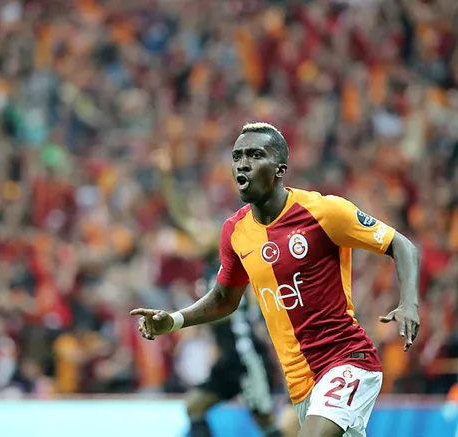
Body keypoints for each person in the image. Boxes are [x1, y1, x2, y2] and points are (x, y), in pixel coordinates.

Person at [132, 122, 421, 437]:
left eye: (255, 155)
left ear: (280, 169)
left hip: (347, 361)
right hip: (300, 383)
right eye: (237, 156)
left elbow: (401, 245)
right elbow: (224, 299)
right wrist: (174, 321)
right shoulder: (235, 232)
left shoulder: (323, 212)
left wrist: (409, 303)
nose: (243, 163)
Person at [153, 149, 282, 437]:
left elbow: (226, 310)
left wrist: (188, 319)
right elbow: (182, 218)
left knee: (266, 424)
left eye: (205, 231)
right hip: (228, 357)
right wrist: (165, 178)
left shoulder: (234, 263)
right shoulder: (209, 265)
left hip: (246, 356)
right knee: (194, 406)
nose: (197, 234)